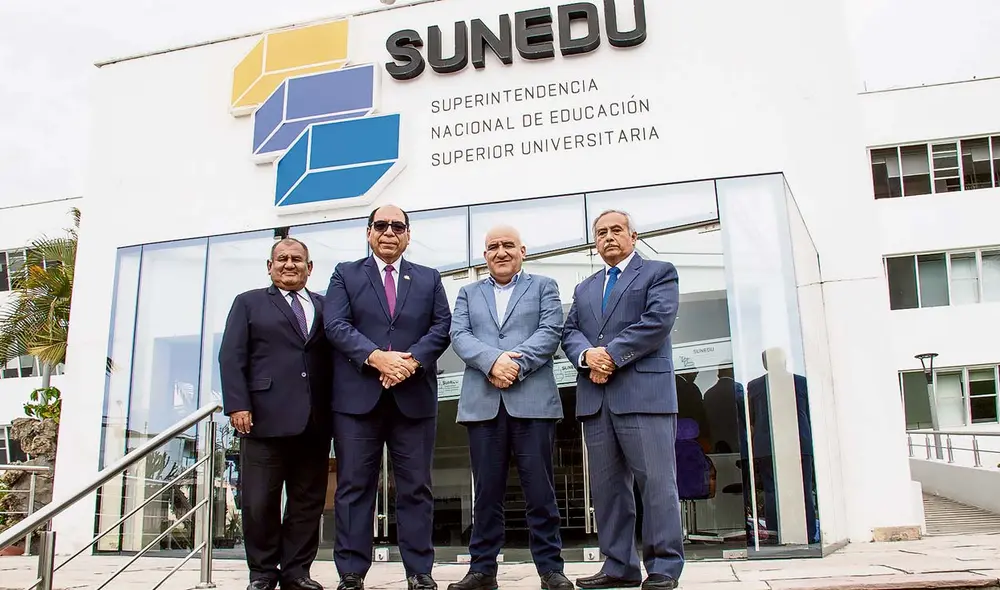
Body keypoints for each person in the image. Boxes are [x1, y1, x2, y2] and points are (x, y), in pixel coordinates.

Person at [324, 205, 452, 590]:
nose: (389, 232)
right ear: (368, 232)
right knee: (353, 487)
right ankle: (351, 573)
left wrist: (410, 362)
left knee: (416, 488)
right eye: (381, 225)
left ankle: (419, 572)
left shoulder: (429, 278)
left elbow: (442, 326)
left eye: (398, 226)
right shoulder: (345, 274)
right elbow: (335, 324)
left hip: (413, 400)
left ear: (408, 235)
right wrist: (377, 357)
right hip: (357, 401)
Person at [562, 210, 684, 590]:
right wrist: (587, 356)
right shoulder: (584, 288)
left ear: (634, 236)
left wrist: (610, 356)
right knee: (608, 489)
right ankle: (619, 566)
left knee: (657, 485)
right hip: (597, 400)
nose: (609, 237)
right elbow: (570, 332)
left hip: (644, 397)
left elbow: (657, 321)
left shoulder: (659, 273)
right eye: (601, 232)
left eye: (617, 230)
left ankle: (664, 567)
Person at [448, 225, 573, 590]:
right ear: (485, 255)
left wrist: (514, 366)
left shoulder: (544, 286)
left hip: (532, 403)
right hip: (483, 405)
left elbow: (550, 331)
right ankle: (482, 570)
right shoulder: (467, 293)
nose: (500, 252)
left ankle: (551, 570)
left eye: (507, 245)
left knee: (540, 493)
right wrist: (493, 362)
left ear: (522, 250)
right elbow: (459, 335)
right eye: (492, 247)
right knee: (486, 493)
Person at [219, 238, 333, 590]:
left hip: (315, 422)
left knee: (307, 502)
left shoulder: (326, 306)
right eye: (281, 258)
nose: (289, 264)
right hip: (262, 419)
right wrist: (238, 404)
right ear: (270, 266)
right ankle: (263, 573)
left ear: (309, 268)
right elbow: (231, 356)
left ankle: (297, 573)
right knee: (259, 501)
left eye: (297, 259)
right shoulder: (248, 302)